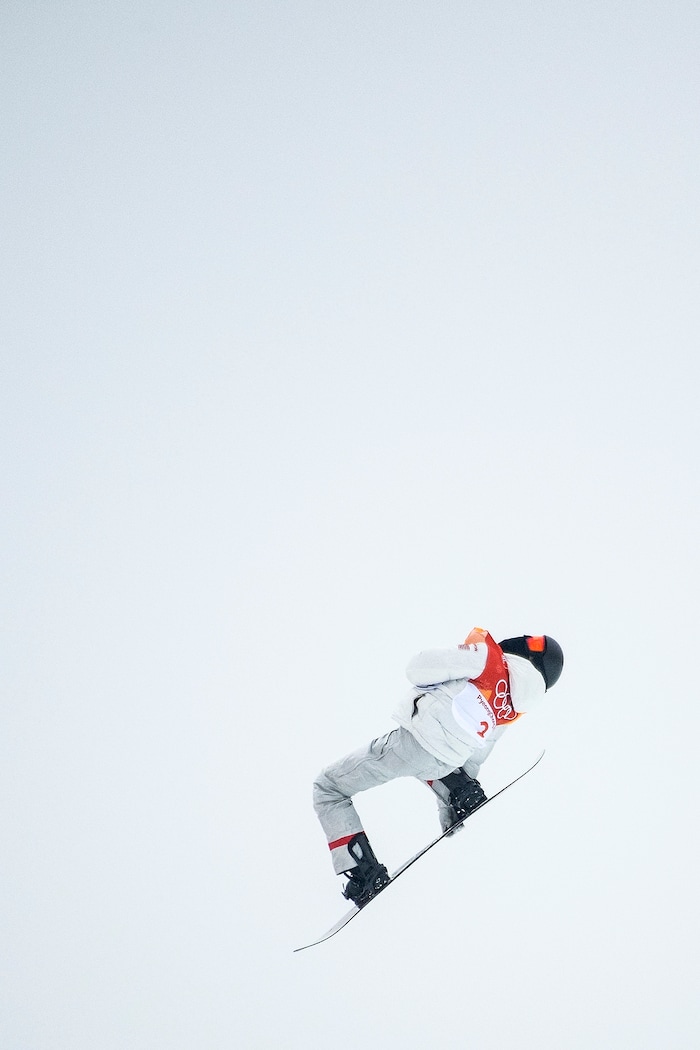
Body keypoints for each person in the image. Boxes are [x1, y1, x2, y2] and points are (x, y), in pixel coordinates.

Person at [312, 628, 564, 906]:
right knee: (433, 762)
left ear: (529, 649)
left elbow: (417, 668)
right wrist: (452, 809)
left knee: (328, 787)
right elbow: (479, 753)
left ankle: (363, 872)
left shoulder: (488, 659)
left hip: (414, 742)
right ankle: (458, 791)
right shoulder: (512, 708)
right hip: (447, 760)